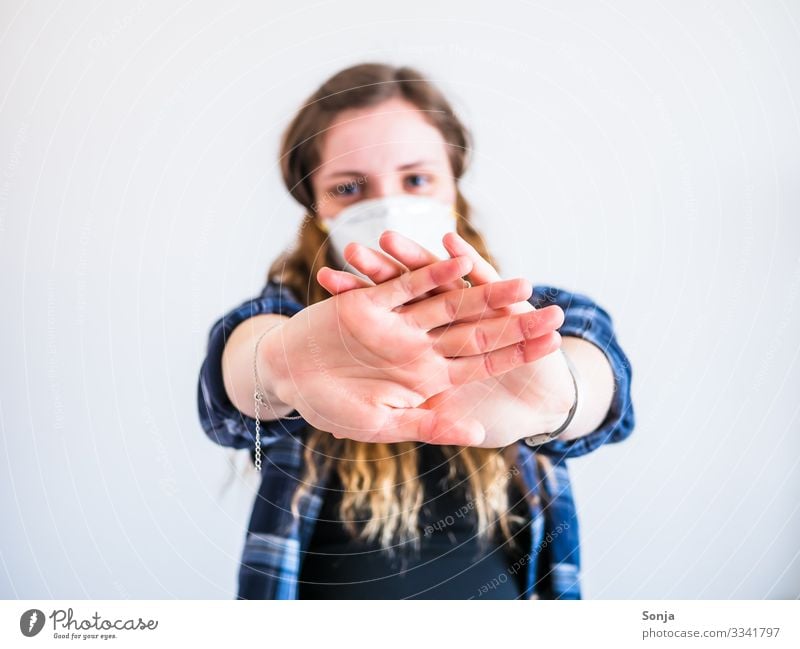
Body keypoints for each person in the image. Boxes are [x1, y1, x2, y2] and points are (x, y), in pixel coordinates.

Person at [196, 62, 635, 600]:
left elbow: (601, 375)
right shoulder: (288, 315)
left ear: (453, 185)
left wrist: (558, 396)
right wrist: (280, 365)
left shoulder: (521, 317)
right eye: (349, 187)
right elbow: (234, 370)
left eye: (416, 179)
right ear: (316, 206)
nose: (387, 206)